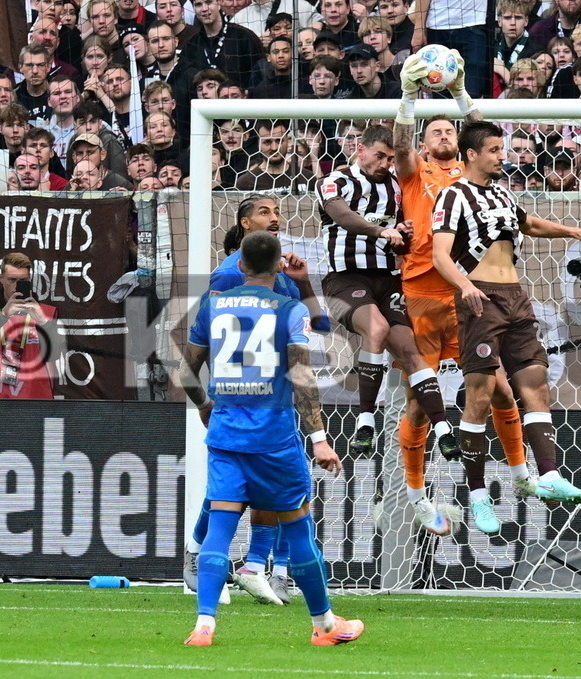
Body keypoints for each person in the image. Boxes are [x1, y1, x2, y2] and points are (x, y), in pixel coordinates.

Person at [180, 230, 364, 647]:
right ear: (279, 265)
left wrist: (205, 407)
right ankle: (326, 626)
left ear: (240, 265)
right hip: (275, 438)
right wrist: (318, 437)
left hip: (226, 435)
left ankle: (204, 624)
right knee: (298, 531)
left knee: (220, 529)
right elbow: (301, 375)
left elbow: (186, 373)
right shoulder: (290, 309)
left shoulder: (212, 303)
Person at [431, 121, 581, 509]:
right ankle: (478, 493)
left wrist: (573, 231)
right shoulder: (452, 197)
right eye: (495, 150)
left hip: (515, 295)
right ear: (471, 155)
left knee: (536, 383)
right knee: (479, 396)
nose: (503, 156)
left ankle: (548, 475)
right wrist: (464, 286)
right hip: (480, 298)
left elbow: (527, 223)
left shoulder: (500, 193)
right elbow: (440, 255)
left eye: (503, 149)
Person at [392, 54, 532, 535]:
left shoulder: (479, 175)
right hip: (426, 291)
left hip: (473, 294)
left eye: (449, 129)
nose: (445, 134)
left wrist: (459, 93)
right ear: (426, 145)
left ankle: (522, 476)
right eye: (435, 132)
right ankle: (417, 497)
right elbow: (400, 145)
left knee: (498, 387)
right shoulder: (416, 173)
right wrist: (410, 96)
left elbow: (483, 132)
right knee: (419, 400)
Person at [184, 194, 328, 605]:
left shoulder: (279, 272)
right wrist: (210, 403)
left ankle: (258, 567)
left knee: (252, 492)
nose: (275, 216)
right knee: (239, 494)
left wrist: (302, 283)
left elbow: (319, 321)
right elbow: (209, 342)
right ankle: (202, 557)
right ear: (245, 223)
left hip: (273, 400)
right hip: (246, 402)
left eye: (278, 210)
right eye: (265, 211)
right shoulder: (228, 277)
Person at [318, 124, 462, 463]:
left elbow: (403, 231)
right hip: (346, 280)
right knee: (378, 330)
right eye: (379, 156)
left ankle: (443, 428)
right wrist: (382, 230)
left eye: (389, 158)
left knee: (409, 349)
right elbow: (342, 216)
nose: (385, 163)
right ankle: (365, 419)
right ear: (360, 150)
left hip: (389, 280)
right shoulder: (336, 181)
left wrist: (402, 231)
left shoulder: (398, 186)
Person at [0, 252, 64, 399]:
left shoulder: (45, 312)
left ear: (29, 279)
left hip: (34, 397)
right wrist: (3, 314)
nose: (15, 286)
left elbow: (54, 355)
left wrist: (42, 322)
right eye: (11, 280)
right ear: (1, 279)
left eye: (22, 280)